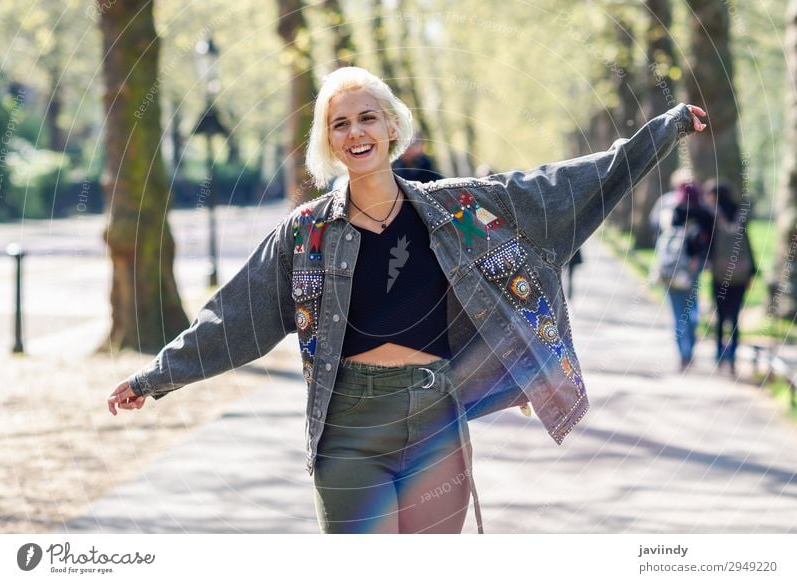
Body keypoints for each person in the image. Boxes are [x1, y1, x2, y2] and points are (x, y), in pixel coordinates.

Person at [107, 66, 706, 534]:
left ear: (393, 127)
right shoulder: (305, 235)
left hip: (435, 420)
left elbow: (569, 184)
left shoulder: (460, 209)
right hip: (347, 428)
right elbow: (234, 317)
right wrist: (158, 377)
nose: (355, 133)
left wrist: (666, 128)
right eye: (339, 125)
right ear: (330, 143)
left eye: (367, 118)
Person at [657, 181, 715, 371]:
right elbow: (712, 241)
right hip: (693, 268)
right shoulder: (706, 214)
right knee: (692, 310)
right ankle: (689, 350)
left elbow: (656, 233)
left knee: (677, 312)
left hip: (671, 268)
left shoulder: (672, 210)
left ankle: (683, 354)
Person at [706, 181, 756, 375]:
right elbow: (747, 242)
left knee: (719, 316)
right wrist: (751, 271)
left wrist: (708, 263)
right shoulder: (740, 214)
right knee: (734, 317)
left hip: (719, 273)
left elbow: (710, 243)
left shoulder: (713, 214)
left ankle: (719, 355)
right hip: (741, 274)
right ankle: (732, 358)